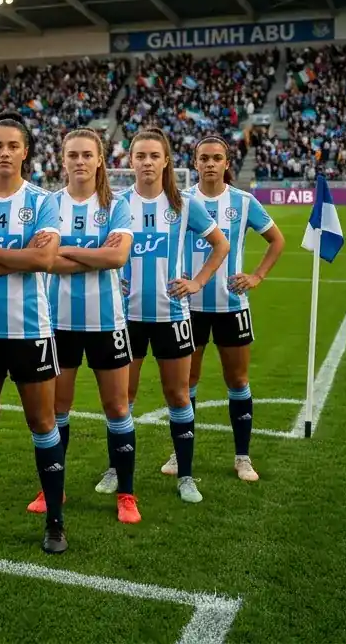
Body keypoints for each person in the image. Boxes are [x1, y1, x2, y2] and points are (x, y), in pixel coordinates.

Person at [0, 112, 66, 553]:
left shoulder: (43, 201)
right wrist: (14, 253)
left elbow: (43, 261)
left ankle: (55, 522)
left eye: (12, 146)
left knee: (42, 423)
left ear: (25, 151)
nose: (4, 153)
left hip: (30, 332)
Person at [104, 129, 229, 504]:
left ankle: (186, 476)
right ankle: (116, 468)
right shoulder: (117, 203)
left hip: (172, 316)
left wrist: (198, 282)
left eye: (153, 155)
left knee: (177, 395)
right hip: (126, 319)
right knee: (122, 398)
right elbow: (101, 251)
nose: (146, 162)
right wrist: (114, 278)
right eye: (140, 155)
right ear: (131, 161)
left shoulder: (184, 204)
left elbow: (220, 244)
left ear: (165, 161)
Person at [29, 128, 139, 524]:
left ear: (99, 160)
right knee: (56, 409)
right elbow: (44, 261)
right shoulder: (48, 205)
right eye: (72, 154)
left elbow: (118, 257)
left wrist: (67, 252)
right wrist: (94, 253)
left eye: (86, 155)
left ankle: (126, 493)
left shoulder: (117, 205)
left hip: (107, 322)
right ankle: (52, 489)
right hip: (57, 324)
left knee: (117, 406)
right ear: (62, 160)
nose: (79, 161)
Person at [175, 135, 284, 483]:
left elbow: (276, 240)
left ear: (226, 163)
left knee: (237, 380)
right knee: (185, 383)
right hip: (187, 307)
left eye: (216, 158)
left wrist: (257, 276)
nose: (209, 163)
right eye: (203, 158)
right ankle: (181, 454)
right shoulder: (180, 201)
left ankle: (242, 457)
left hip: (231, 305)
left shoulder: (243, 201)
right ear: (194, 162)